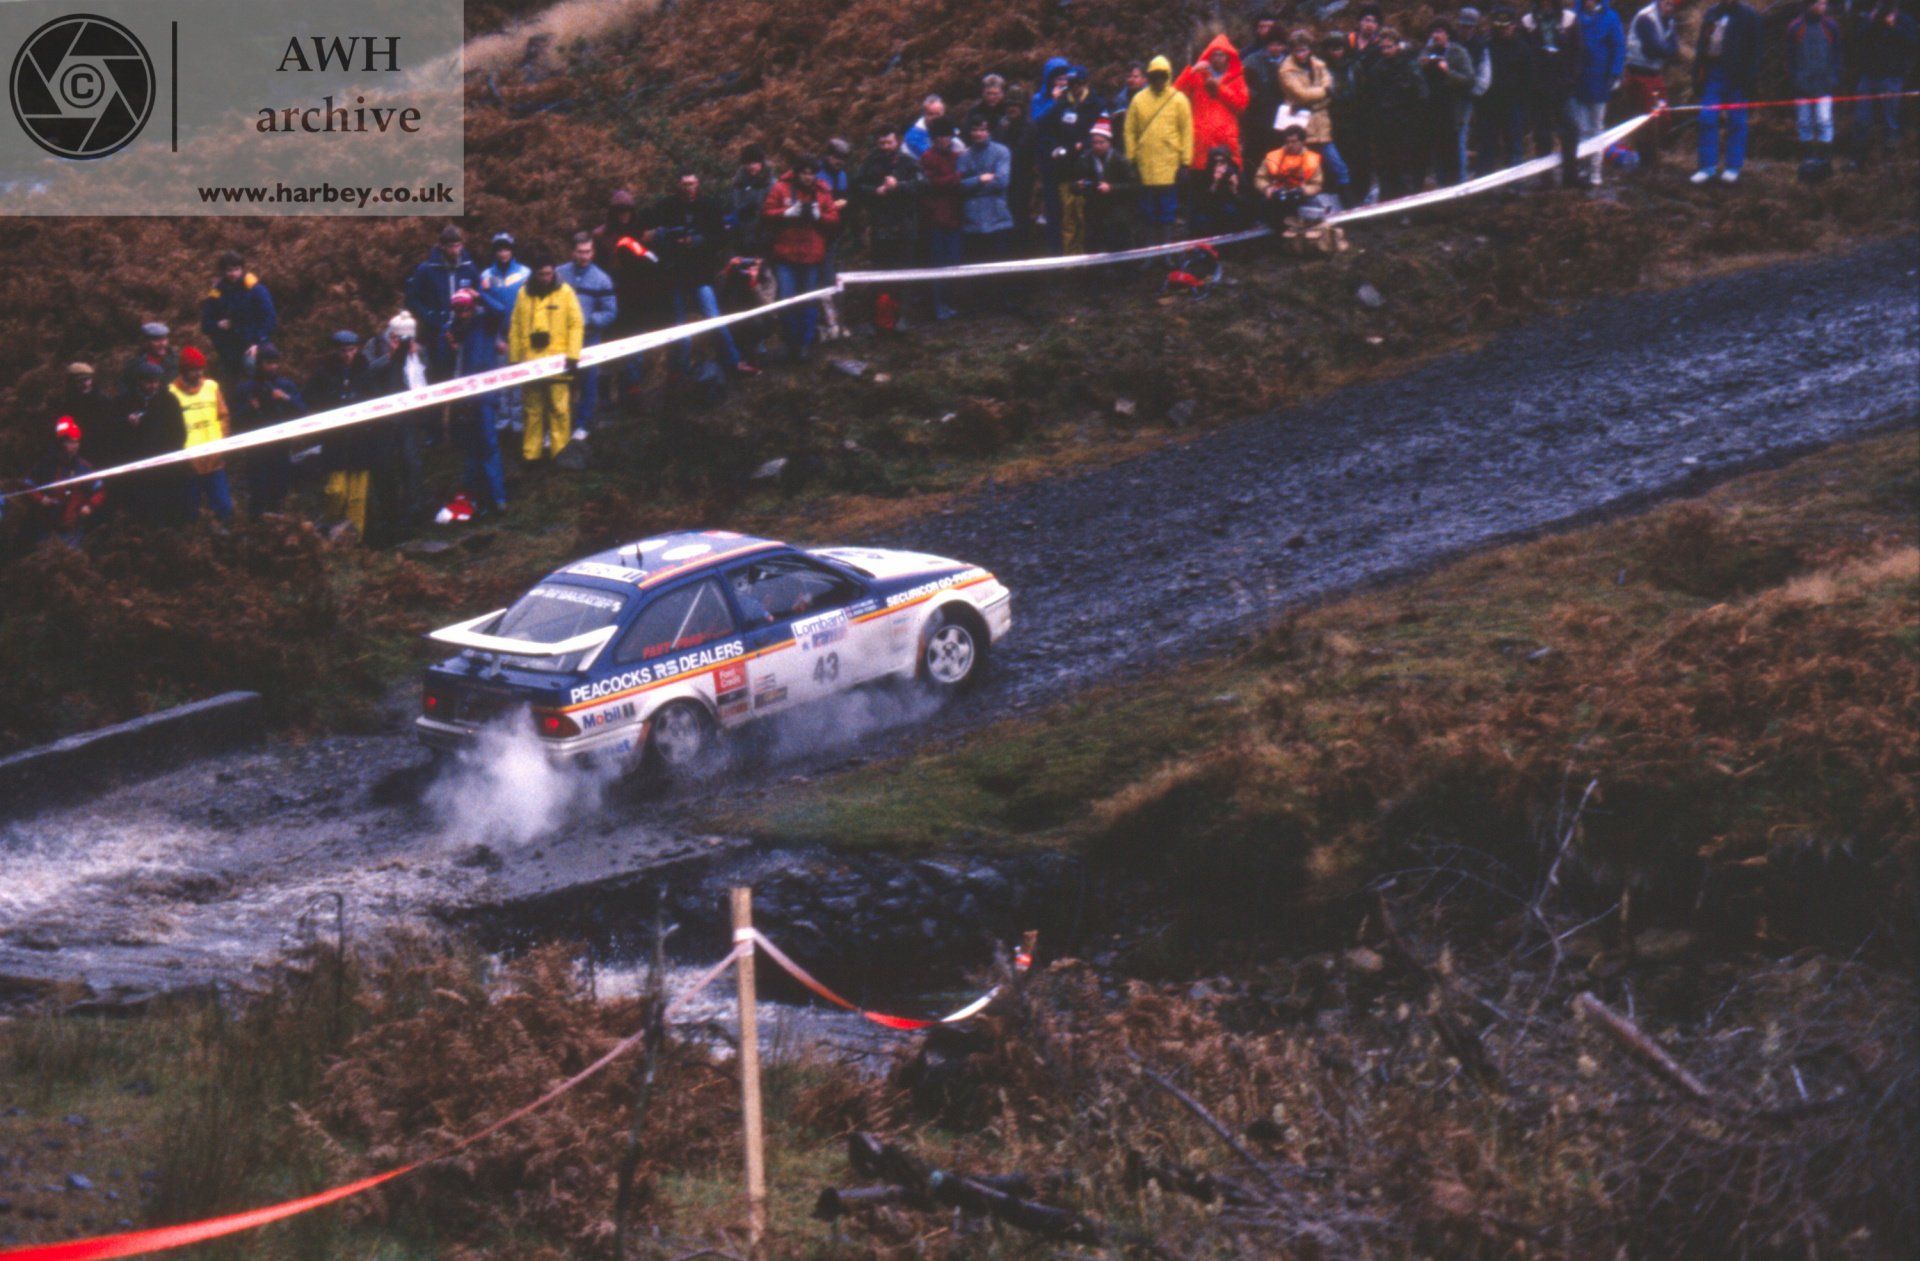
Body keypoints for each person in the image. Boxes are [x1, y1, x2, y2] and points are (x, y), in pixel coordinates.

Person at [646, 170, 755, 374]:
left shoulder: (709, 206)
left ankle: (733, 361)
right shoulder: (666, 206)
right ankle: (680, 371)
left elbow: (721, 237)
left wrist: (699, 240)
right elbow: (648, 233)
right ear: (679, 185)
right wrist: (665, 237)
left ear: (698, 184)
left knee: (714, 319)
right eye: (685, 184)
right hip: (675, 273)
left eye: (692, 183)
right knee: (679, 329)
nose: (689, 188)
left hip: (700, 273)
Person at [761, 156, 841, 359]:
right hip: (786, 255)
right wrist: (786, 212)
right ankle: (791, 343)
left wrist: (819, 216)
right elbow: (766, 213)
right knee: (787, 300)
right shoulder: (781, 188)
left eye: (811, 173)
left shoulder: (823, 191)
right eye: (804, 172)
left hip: (812, 256)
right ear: (797, 173)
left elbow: (834, 219)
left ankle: (805, 344)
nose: (808, 177)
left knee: (809, 301)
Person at [509, 254, 583, 463]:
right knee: (532, 410)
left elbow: (576, 324)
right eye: (541, 274)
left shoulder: (565, 292)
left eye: (549, 273)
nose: (546, 278)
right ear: (534, 273)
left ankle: (560, 453)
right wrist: (514, 358)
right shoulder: (523, 293)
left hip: (558, 363)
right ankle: (531, 454)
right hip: (530, 363)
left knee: (559, 409)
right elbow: (515, 325)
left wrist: (573, 356)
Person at [366, 313, 433, 539]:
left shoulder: (419, 352)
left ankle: (414, 513)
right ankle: (389, 516)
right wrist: (391, 357)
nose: (401, 342)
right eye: (396, 338)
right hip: (383, 422)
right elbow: (370, 373)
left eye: (405, 338)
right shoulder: (375, 347)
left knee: (412, 464)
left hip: (410, 419)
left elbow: (428, 378)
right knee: (385, 469)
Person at [307, 329, 378, 539]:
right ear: (335, 351)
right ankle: (329, 527)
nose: (347, 355)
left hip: (360, 438)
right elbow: (309, 398)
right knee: (335, 490)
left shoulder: (365, 369)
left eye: (351, 350)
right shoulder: (323, 373)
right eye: (343, 351)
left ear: (357, 349)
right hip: (335, 438)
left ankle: (354, 539)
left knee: (358, 496)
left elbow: (374, 398)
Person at [854, 128, 926, 331]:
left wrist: (899, 186)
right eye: (882, 143)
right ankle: (879, 317)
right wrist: (875, 191)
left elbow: (922, 185)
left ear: (897, 142)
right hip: (881, 227)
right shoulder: (870, 163)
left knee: (904, 272)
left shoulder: (908, 162)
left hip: (904, 226)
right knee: (880, 272)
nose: (886, 147)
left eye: (890, 143)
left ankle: (903, 316)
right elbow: (857, 188)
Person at [102, 362, 188, 527]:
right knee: (139, 509)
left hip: (163, 465)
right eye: (148, 382)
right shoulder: (123, 401)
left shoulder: (169, 401)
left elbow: (179, 432)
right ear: (139, 382)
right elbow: (110, 430)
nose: (153, 386)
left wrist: (167, 454)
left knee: (166, 506)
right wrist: (126, 423)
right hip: (136, 466)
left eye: (156, 382)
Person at [445, 291, 506, 516]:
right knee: (471, 450)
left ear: (474, 307)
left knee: (489, 447)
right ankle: (474, 499)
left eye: (467, 308)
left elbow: (500, 310)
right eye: (459, 310)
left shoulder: (485, 321)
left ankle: (498, 498)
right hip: (464, 397)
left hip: (485, 396)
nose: (463, 313)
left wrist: (480, 296)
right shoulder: (454, 330)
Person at [1125, 56, 1195, 244]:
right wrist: (1131, 159)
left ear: (1168, 76)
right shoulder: (1138, 100)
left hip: (1169, 168)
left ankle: (1166, 251)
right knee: (1147, 212)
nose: (1158, 80)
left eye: (1162, 76)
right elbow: (1129, 131)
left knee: (1167, 212)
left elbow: (1187, 132)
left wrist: (1185, 163)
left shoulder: (1179, 100)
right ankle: (1149, 252)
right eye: (1154, 76)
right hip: (1146, 167)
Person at [1691, 0, 1761, 183]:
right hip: (1713, 73)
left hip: (1738, 77)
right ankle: (1707, 167)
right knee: (1707, 118)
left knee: (1737, 122)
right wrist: (1696, 74)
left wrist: (1749, 79)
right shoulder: (1712, 13)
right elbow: (1701, 46)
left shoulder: (1749, 15)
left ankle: (1733, 167)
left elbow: (1755, 51)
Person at [555, 232, 616, 439]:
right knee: (560, 381)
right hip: (561, 338)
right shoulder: (559, 274)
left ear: (593, 252)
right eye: (580, 252)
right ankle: (559, 423)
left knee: (588, 380)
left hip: (589, 337)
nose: (584, 256)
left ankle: (583, 424)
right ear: (573, 252)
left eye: (588, 251)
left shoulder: (602, 279)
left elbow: (610, 311)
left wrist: (590, 321)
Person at [1523, 0, 1588, 188]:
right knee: (1542, 134)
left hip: (1564, 86)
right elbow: (1527, 55)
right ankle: (1545, 179)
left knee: (1570, 131)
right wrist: (1534, 81)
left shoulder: (1569, 19)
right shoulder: (1528, 22)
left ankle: (1570, 176)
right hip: (1539, 87)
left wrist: (1571, 78)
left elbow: (1578, 51)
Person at [233, 342, 303, 516]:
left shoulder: (285, 385)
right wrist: (250, 408)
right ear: (259, 364)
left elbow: (303, 410)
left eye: (275, 363)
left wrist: (285, 398)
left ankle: (278, 523)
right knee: (258, 490)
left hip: (281, 445)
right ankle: (256, 524)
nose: (273, 367)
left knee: (279, 489)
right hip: (257, 448)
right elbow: (235, 420)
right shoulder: (245, 388)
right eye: (268, 363)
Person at [1036, 64, 1100, 252]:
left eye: (1079, 83)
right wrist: (1056, 148)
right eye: (1072, 84)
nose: (1075, 88)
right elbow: (1043, 126)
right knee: (1067, 218)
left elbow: (1104, 131)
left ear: (1086, 83)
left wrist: (1087, 143)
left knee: (1087, 217)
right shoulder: (1062, 104)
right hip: (1066, 169)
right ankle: (1069, 261)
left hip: (1089, 169)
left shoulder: (1096, 103)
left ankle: (1089, 259)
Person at [404, 225, 481, 379]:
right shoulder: (426, 269)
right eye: (450, 247)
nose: (454, 251)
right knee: (440, 375)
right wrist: (430, 317)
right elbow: (412, 299)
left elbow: (478, 296)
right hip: (436, 332)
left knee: (467, 373)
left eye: (458, 246)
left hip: (464, 330)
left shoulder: (469, 267)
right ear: (442, 246)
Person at [1365, 28, 1431, 199]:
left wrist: (1413, 120)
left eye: (1390, 47)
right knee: (1386, 168)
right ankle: (1387, 202)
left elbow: (1422, 94)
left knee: (1406, 167)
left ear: (1397, 46)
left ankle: (1408, 206)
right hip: (1384, 126)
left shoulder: (1409, 66)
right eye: (1383, 47)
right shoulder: (1377, 69)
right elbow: (1371, 97)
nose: (1386, 51)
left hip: (1406, 126)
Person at [1849, 1, 1917, 166]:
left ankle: (1890, 161)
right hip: (1869, 75)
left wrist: (1893, 27)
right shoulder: (1870, 18)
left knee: (1890, 119)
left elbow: (1913, 43)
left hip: (1892, 76)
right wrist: (1871, 23)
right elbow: (1857, 40)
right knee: (1862, 118)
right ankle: (1858, 159)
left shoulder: (1904, 20)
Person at [170, 345, 233, 523]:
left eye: (200, 369)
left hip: (214, 459)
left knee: (224, 507)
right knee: (190, 512)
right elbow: (169, 429)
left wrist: (223, 443)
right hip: (188, 464)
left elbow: (223, 416)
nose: (198, 374)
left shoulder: (212, 387)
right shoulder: (171, 392)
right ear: (183, 370)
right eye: (193, 370)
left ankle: (224, 536)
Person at [956, 113, 1016, 298]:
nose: (979, 133)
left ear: (988, 131)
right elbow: (959, 186)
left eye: (982, 129)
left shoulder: (1001, 151)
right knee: (977, 263)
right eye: (975, 130)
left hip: (997, 216)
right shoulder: (964, 156)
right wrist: (980, 179)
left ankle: (1003, 299)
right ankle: (981, 301)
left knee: (1000, 263)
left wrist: (973, 185)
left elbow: (1002, 182)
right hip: (973, 220)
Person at [199, 250, 278, 385]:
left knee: (252, 370)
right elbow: (205, 323)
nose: (234, 274)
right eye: (229, 270)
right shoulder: (217, 292)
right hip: (228, 350)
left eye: (237, 269)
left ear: (242, 269)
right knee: (230, 383)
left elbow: (269, 318)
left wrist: (258, 342)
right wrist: (218, 325)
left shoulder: (255, 289)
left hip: (252, 344)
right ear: (223, 271)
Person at [1175, 34, 1250, 173]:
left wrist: (1219, 88)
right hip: (1200, 140)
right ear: (1208, 56)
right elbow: (1176, 92)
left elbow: (1241, 105)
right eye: (1214, 55)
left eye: (1221, 55)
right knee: (1200, 183)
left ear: (1228, 56)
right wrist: (1192, 70)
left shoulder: (1237, 78)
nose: (1217, 58)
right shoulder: (1198, 75)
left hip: (1226, 140)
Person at [476, 232, 528, 431]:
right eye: (499, 249)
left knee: (519, 379)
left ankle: (518, 423)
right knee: (501, 380)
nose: (503, 253)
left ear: (512, 250)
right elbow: (483, 309)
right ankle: (502, 421)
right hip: (497, 337)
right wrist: (495, 338)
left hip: (519, 335)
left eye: (506, 248)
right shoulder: (486, 276)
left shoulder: (525, 273)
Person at [1622, 0, 1683, 168]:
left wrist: (1666, 50)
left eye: (1672, 5)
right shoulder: (1645, 18)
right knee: (1645, 119)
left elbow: (1674, 49)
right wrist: (1667, 49)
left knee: (1662, 116)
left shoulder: (1669, 20)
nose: (1669, 7)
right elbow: (1653, 49)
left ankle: (1654, 157)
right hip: (1638, 72)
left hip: (1655, 73)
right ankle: (1645, 162)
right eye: (1666, 3)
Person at [26, 419, 105, 544]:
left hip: (72, 529)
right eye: (70, 442)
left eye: (77, 442)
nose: (75, 446)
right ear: (60, 443)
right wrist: (41, 499)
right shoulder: (46, 465)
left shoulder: (84, 467)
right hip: (46, 528)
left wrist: (90, 506)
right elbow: (28, 485)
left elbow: (99, 490)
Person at [1573, 0, 1626, 185]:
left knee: (1597, 127)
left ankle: (1596, 170)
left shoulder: (1610, 17)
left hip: (1600, 80)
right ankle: (1582, 166)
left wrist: (1615, 73)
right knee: (1580, 128)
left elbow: (1618, 46)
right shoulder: (1574, 16)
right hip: (1578, 81)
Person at [1480, 7, 1538, 172]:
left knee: (1514, 146)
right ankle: (1485, 187)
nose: (1504, 30)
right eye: (1500, 26)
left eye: (1507, 26)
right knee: (1487, 147)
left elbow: (1529, 79)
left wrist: (1525, 106)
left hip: (1514, 105)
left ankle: (1514, 186)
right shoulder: (1486, 46)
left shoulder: (1522, 48)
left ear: (1514, 26)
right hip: (1489, 105)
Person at [1788, 0, 1844, 174]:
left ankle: (1825, 157)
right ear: (1809, 5)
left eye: (1824, 4)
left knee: (1824, 120)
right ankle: (1807, 157)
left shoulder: (1831, 26)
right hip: (1802, 83)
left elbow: (1837, 54)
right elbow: (1790, 57)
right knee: (1804, 121)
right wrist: (1795, 78)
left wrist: (1834, 78)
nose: (1823, 7)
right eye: (1819, 4)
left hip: (1825, 83)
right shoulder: (1795, 27)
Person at [1420, 21, 1478, 186]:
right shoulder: (1427, 52)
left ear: (1447, 34)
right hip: (1435, 108)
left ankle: (1462, 183)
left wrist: (1448, 71)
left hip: (1455, 108)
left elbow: (1469, 79)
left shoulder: (1458, 52)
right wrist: (1423, 65)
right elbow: (1417, 75)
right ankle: (1441, 185)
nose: (1435, 35)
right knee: (1438, 148)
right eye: (1433, 32)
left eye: (1438, 31)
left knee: (1458, 145)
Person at [1070, 116, 1139, 253]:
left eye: (1101, 142)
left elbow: (1134, 186)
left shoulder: (1120, 160)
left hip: (1116, 210)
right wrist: (1078, 186)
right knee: (1093, 245)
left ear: (1109, 142)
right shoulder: (1085, 159)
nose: (1098, 146)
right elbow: (1073, 185)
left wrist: (1112, 188)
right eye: (1094, 143)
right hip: (1093, 210)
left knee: (1118, 244)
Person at [920, 117, 965, 321]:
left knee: (954, 262)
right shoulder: (928, 157)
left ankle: (950, 303)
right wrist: (956, 178)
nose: (944, 140)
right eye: (940, 137)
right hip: (936, 219)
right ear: (933, 139)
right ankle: (938, 305)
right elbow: (931, 183)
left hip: (955, 217)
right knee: (938, 264)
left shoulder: (957, 157)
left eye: (947, 136)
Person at [1321, 35, 1372, 204]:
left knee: (1357, 161)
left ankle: (1359, 197)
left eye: (1339, 48)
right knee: (1336, 163)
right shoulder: (1322, 68)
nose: (1336, 52)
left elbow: (1364, 92)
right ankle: (1341, 199)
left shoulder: (1354, 66)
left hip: (1355, 120)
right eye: (1332, 48)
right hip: (1332, 121)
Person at [1256, 124, 1332, 222]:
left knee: (1315, 213)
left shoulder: (1312, 159)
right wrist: (1267, 189)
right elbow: (1260, 178)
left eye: (1294, 142)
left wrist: (1303, 191)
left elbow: (1317, 184)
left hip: (1301, 197)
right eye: (1287, 142)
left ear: (1302, 142)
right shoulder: (1272, 157)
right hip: (1277, 197)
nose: (1290, 145)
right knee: (1264, 207)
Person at [1244, 26, 1291, 173]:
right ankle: (1254, 189)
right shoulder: (1252, 61)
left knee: (1279, 153)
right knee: (1256, 153)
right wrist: (1255, 97)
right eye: (1272, 44)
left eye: (1279, 44)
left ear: (1285, 46)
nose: (1276, 48)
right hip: (1258, 116)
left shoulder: (1291, 61)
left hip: (1284, 115)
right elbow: (1244, 85)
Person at [1190, 145, 1247, 234]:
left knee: (1231, 211)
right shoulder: (1204, 176)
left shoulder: (1235, 174)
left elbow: (1246, 203)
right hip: (1210, 210)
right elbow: (1200, 204)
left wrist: (1234, 190)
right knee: (1199, 219)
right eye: (1215, 162)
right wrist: (1215, 183)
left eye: (1222, 162)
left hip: (1228, 210)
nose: (1219, 165)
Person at [729, 146, 774, 254]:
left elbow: (773, 209)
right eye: (748, 163)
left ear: (761, 163)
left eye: (755, 163)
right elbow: (734, 204)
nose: (751, 166)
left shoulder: (771, 183)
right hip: (741, 232)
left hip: (763, 233)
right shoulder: (738, 182)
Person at [120, 322, 175, 394]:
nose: (162, 344)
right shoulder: (134, 365)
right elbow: (125, 391)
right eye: (157, 340)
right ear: (145, 342)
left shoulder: (177, 362)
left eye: (164, 339)